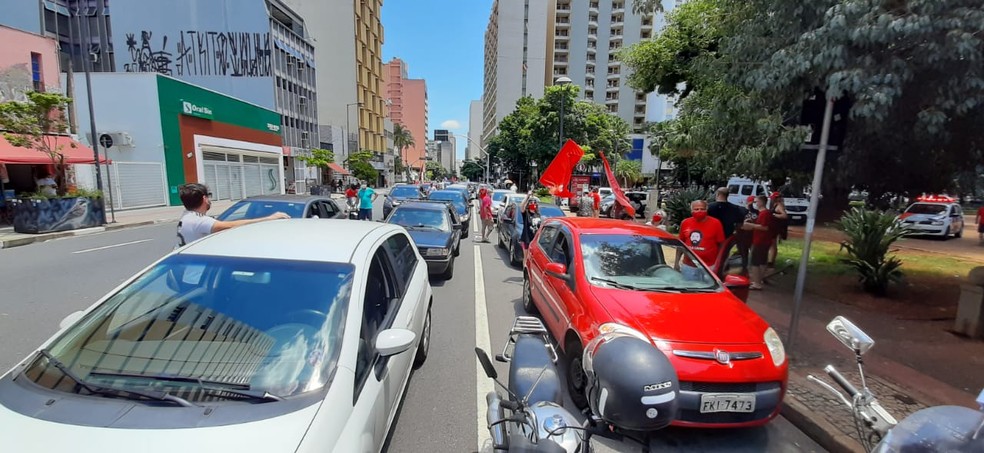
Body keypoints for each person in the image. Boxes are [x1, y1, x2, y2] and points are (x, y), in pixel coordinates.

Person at [176, 183, 289, 247]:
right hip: (195, 274)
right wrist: (270, 218)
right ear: (204, 199)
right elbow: (231, 225)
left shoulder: (187, 216)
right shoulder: (199, 220)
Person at [675, 200, 726, 280]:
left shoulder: (716, 223)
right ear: (691, 211)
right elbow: (680, 244)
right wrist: (676, 262)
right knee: (689, 290)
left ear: (707, 210)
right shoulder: (685, 223)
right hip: (689, 266)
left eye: (702, 209)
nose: (699, 211)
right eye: (696, 209)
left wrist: (719, 264)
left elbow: (721, 244)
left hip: (709, 266)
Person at [742, 195, 773, 290]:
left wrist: (751, 225)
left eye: (756, 202)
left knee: (755, 262)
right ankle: (759, 279)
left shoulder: (764, 214)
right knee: (762, 261)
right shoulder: (763, 213)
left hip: (760, 240)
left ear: (761, 202)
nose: (755, 204)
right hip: (764, 240)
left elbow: (764, 227)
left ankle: (756, 282)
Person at [767, 192, 789, 267]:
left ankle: (770, 262)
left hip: (775, 227)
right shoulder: (775, 205)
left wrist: (774, 215)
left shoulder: (779, 205)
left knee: (773, 245)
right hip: (774, 226)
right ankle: (771, 261)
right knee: (772, 245)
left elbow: (784, 215)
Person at [518, 193, 541, 261]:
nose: (533, 204)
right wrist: (527, 196)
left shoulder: (538, 214)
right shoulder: (526, 213)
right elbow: (521, 206)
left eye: (534, 202)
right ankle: (525, 270)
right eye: (531, 202)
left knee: (533, 259)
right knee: (526, 257)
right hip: (526, 239)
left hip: (535, 240)